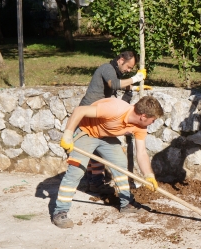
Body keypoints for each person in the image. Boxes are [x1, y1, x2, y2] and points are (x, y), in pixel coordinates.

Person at [52, 96, 164, 229]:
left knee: (121, 165)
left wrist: (148, 175)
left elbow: (141, 152)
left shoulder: (140, 126)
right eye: (153, 120)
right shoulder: (114, 109)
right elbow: (79, 111)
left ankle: (126, 203)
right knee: (76, 171)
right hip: (86, 132)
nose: (153, 122)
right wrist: (68, 134)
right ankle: (60, 211)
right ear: (143, 116)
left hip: (106, 137)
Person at [80, 51, 148, 194]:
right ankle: (95, 182)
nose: (128, 70)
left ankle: (95, 182)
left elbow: (118, 85)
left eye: (131, 69)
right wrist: (136, 78)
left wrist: (134, 87)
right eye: (128, 67)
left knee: (96, 150)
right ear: (121, 59)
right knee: (95, 150)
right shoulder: (107, 68)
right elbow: (114, 84)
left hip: (100, 113)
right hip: (91, 112)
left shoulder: (114, 71)